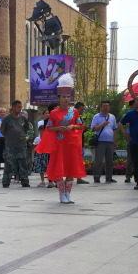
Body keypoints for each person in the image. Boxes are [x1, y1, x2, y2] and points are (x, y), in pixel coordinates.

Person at [36, 74, 86, 204]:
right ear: (59, 98)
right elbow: (49, 128)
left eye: (68, 96)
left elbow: (81, 126)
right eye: (63, 97)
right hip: (59, 144)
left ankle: (68, 194)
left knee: (71, 168)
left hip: (71, 144)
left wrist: (72, 126)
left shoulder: (74, 112)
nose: (66, 99)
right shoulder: (53, 113)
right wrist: (60, 128)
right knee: (58, 169)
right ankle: (61, 195)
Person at [1, 100, 32, 188]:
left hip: (21, 145)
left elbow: (28, 129)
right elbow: (3, 131)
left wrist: (26, 137)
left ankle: (25, 182)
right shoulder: (7, 119)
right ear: (13, 107)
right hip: (10, 146)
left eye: (21, 107)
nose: (20, 108)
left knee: (23, 164)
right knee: (9, 164)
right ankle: (6, 182)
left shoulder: (23, 119)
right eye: (18, 107)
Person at [90, 100, 118, 184]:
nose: (106, 107)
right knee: (98, 161)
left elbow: (114, 129)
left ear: (109, 107)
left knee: (110, 161)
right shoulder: (96, 116)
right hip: (100, 141)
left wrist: (115, 141)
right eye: (104, 106)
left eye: (107, 106)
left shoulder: (112, 117)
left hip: (110, 142)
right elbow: (93, 128)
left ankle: (109, 178)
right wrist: (102, 124)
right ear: (101, 107)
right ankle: (96, 178)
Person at [32, 104, 56, 187]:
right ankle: (45, 181)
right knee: (43, 164)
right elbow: (42, 135)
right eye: (46, 113)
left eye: (48, 113)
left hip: (52, 144)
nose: (48, 114)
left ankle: (53, 180)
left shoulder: (55, 121)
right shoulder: (42, 123)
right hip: (44, 145)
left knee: (51, 163)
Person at [73, 101, 90, 185]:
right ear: (77, 109)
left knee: (79, 160)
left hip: (80, 141)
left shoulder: (79, 117)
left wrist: (84, 127)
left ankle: (78, 177)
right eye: (81, 109)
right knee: (75, 160)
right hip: (74, 142)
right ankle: (74, 177)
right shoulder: (72, 116)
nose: (82, 111)